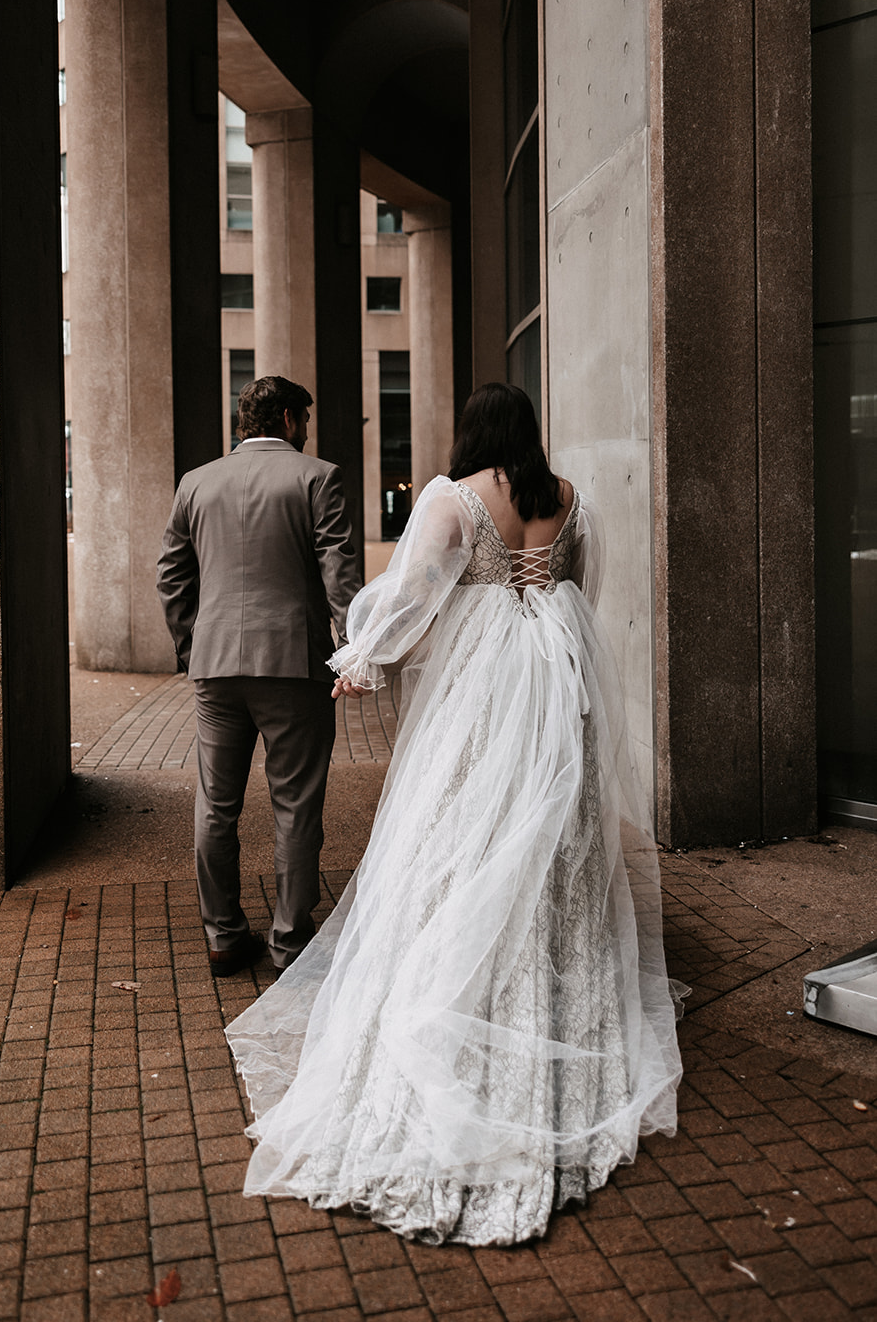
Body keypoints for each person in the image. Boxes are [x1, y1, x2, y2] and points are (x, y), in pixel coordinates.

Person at [225, 382, 683, 1246]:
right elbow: (580, 586)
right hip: (554, 677)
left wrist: (363, 656)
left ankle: (454, 973)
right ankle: (549, 969)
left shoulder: (452, 498)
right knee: (552, 828)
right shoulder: (567, 498)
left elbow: (415, 593)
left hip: (483, 682)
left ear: (472, 432)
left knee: (457, 823)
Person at [157, 375, 362, 979]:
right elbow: (340, 579)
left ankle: (222, 935)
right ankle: (290, 940)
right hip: (292, 666)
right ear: (292, 418)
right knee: (295, 804)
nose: (308, 430)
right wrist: (354, 650)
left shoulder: (197, 482)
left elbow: (171, 576)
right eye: (306, 418)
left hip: (215, 667)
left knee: (216, 804)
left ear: (245, 422)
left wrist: (194, 644)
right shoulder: (317, 477)